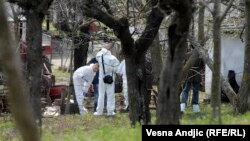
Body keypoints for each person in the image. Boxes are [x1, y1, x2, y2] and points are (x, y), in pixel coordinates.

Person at [94, 44, 120, 116]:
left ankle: (99, 111)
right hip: (110, 79)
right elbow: (117, 69)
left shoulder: (99, 56)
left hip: (101, 78)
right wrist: (111, 69)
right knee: (110, 95)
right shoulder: (113, 58)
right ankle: (110, 111)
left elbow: (97, 56)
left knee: (101, 94)